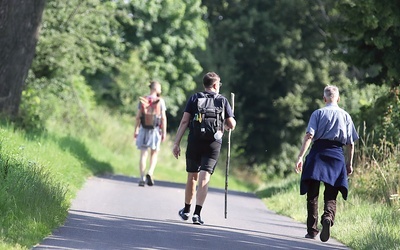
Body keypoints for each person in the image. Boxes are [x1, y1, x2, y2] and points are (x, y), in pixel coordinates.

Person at [295, 85, 359, 242]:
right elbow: (351, 144)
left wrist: (300, 157)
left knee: (312, 193)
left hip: (317, 153)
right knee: (331, 193)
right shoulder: (346, 116)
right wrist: (349, 164)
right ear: (338, 98)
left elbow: (309, 136)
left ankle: (312, 230)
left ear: (324, 99)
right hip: (337, 156)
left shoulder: (318, 113)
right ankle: (328, 217)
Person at [172, 72, 236, 225]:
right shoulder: (223, 101)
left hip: (195, 141)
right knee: (204, 177)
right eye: (219, 84)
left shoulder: (195, 98)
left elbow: (184, 121)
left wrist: (176, 143)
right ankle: (197, 214)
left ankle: (186, 210)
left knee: (192, 176)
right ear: (215, 85)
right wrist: (226, 125)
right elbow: (232, 124)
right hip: (213, 144)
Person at [134, 80, 167, 187]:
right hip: (155, 130)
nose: (161, 90)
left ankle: (142, 177)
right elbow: (163, 118)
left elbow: (138, 117)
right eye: (160, 87)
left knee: (143, 154)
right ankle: (150, 172)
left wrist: (136, 130)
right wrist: (164, 132)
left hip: (143, 129)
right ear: (156, 88)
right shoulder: (160, 101)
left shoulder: (143, 100)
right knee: (154, 153)